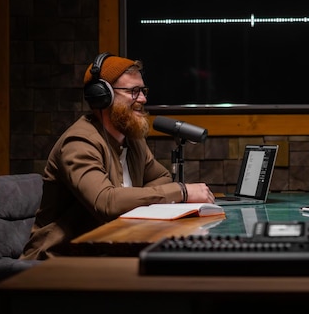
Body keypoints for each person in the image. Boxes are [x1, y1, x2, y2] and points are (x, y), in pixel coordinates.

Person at [21, 53, 215, 260]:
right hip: (58, 260)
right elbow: (106, 202)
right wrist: (182, 191)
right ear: (102, 96)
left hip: (107, 250)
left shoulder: (132, 139)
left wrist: (129, 198)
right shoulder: (79, 143)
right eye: (133, 91)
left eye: (143, 91)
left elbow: (162, 178)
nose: (143, 99)